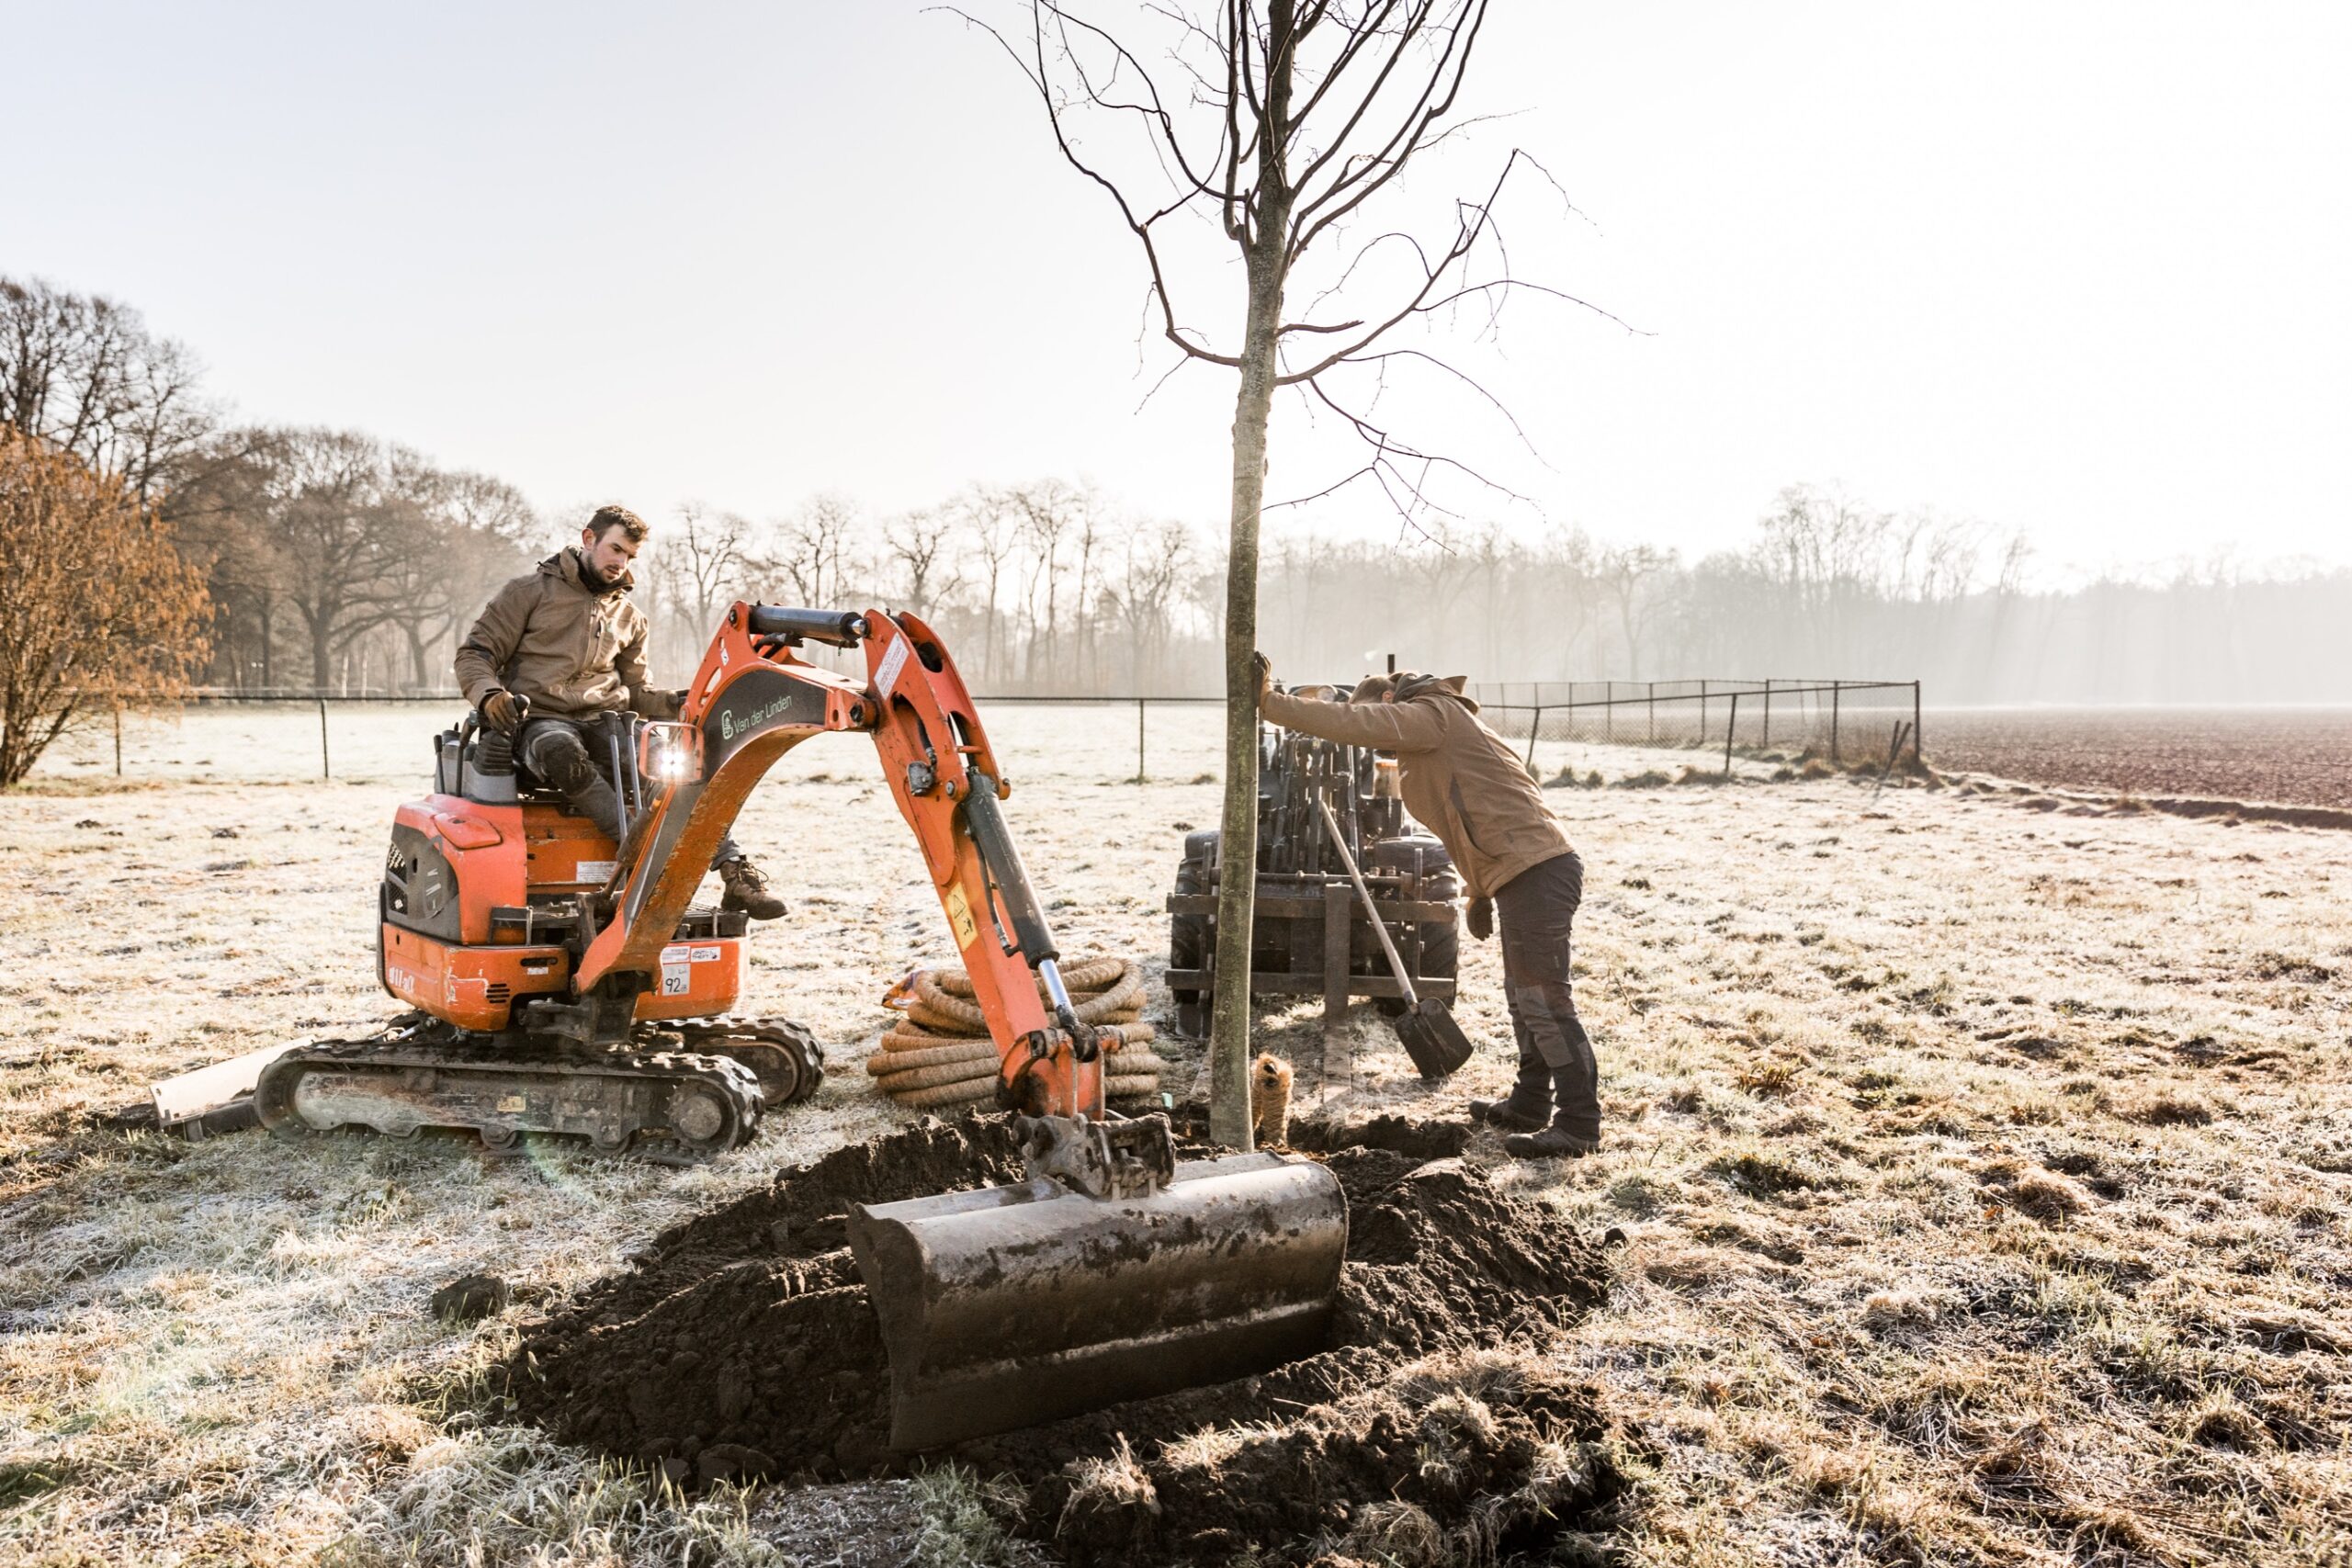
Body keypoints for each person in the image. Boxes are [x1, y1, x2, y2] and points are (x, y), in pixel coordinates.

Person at [1255, 656, 1598, 1157]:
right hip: (1518, 874)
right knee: (1524, 1000)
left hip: (1537, 872)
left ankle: (1580, 1126)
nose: (1382, 745)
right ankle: (1528, 1104)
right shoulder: (1440, 734)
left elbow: (1354, 723)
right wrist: (1480, 891)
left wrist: (1269, 703)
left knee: (1544, 1002)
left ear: (1390, 703)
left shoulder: (1434, 714)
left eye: (1381, 726)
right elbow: (1479, 815)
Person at [453, 504, 786, 920]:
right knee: (560, 751)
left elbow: (636, 691)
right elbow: (475, 654)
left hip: (607, 720)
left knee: (677, 766)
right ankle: (643, 856)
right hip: (539, 719)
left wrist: (675, 702)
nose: (620, 562)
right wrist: (489, 696)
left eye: (629, 556)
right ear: (588, 539)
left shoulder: (630, 617)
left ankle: (736, 874)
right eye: (615, 549)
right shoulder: (528, 593)